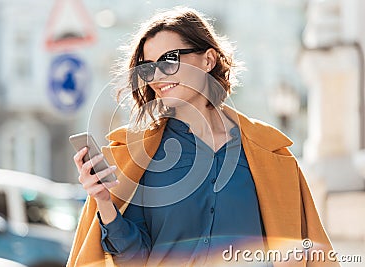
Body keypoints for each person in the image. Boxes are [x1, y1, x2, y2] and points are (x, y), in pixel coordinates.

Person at [67, 7, 340, 267]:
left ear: (208, 60)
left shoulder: (271, 154)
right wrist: (104, 201)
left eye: (169, 59)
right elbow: (137, 257)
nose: (158, 75)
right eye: (148, 66)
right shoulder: (138, 157)